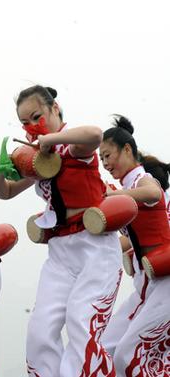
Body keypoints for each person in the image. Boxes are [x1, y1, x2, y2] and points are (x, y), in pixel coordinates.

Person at [0, 85, 122, 376]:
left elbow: (95, 135)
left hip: (94, 247)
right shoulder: (39, 157)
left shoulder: (71, 145)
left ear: (55, 109)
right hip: (60, 252)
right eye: (24, 122)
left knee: (82, 323)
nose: (31, 126)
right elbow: (7, 193)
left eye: (36, 116)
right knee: (40, 329)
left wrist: (51, 138)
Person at [98, 115, 170, 376]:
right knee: (104, 350)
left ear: (127, 149)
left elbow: (154, 193)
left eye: (108, 155)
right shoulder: (127, 187)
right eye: (101, 159)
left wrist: (111, 195)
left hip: (166, 282)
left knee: (130, 354)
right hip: (147, 283)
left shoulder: (142, 180)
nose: (105, 164)